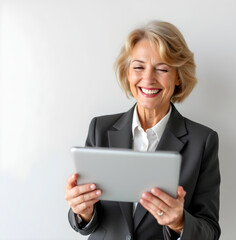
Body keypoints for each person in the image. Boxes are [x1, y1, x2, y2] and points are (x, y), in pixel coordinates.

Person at [65, 21, 221, 240]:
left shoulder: (203, 141)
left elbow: (210, 231)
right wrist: (82, 211)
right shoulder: (100, 129)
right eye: (138, 67)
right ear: (128, 73)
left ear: (178, 76)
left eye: (162, 68)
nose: (148, 79)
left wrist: (179, 222)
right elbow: (87, 224)